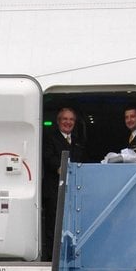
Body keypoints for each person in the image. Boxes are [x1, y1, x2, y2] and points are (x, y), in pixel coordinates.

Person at [42, 106, 88, 257]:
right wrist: (60, 168)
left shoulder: (78, 140)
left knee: (71, 224)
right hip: (55, 190)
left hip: (74, 190)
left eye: (71, 119)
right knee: (54, 225)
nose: (68, 122)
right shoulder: (50, 138)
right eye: (65, 119)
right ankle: (51, 259)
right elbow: (48, 157)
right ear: (58, 121)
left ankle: (68, 258)